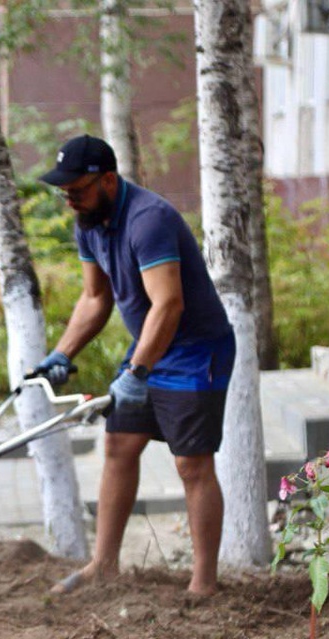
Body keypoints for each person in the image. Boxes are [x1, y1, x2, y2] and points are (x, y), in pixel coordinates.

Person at [35, 134, 235, 596]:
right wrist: (62, 353)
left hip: (195, 351)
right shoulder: (89, 222)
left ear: (108, 180)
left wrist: (137, 372)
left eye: (77, 190)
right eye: (64, 192)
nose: (70, 200)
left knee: (191, 464)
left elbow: (169, 304)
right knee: (118, 446)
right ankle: (104, 565)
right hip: (150, 346)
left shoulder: (149, 220)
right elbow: (95, 297)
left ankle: (203, 584)